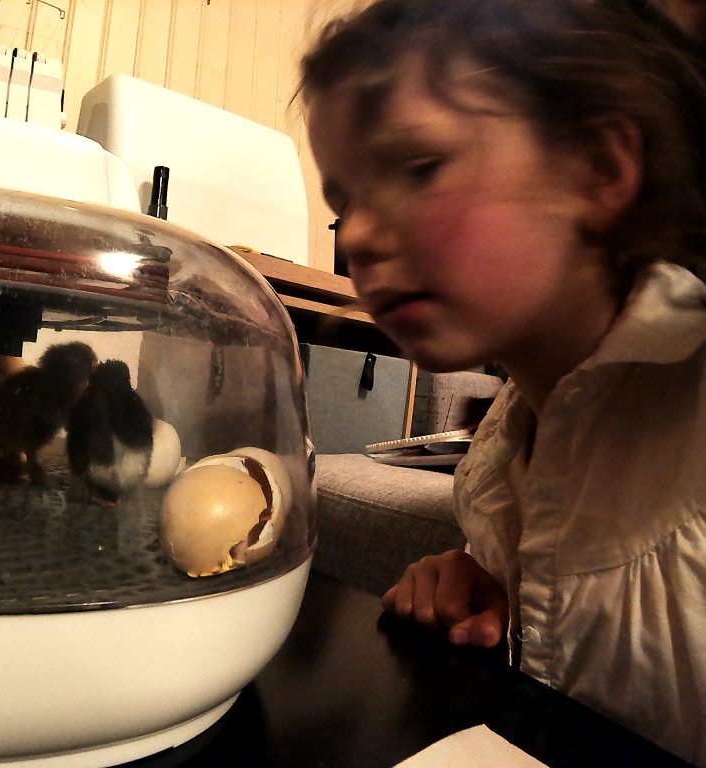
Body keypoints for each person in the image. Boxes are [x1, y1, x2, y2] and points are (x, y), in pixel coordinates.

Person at [299, 0, 706, 764]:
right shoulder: (501, 448)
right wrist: (502, 595)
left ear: (600, 168)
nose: (355, 236)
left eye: (421, 168)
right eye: (342, 202)